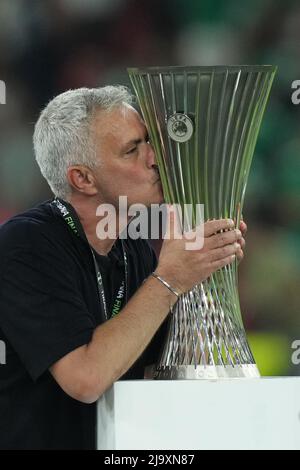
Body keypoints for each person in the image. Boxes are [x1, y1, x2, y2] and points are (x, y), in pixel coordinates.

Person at [0, 86, 246, 450]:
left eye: (148, 141)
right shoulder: (25, 245)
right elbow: (86, 378)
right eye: (133, 149)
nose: (155, 158)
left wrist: (205, 269)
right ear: (83, 179)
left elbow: (162, 376)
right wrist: (170, 278)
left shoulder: (134, 247)